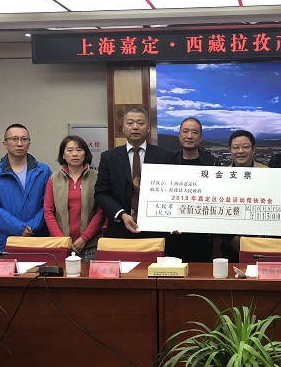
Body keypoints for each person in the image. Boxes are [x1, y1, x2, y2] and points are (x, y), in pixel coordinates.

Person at [94, 108, 171, 239]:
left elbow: (170, 191)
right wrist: (122, 215)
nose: (135, 127)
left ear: (148, 128)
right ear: (123, 128)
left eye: (140, 123)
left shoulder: (165, 156)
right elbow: (101, 193)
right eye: (130, 123)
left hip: (156, 230)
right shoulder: (109, 157)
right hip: (120, 229)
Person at [0, 123, 52, 254]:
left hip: (39, 241)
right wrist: (19, 228)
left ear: (29, 143)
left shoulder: (43, 171)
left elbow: (50, 205)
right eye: (14, 139)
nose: (19, 143)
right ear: (4, 144)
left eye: (24, 139)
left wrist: (30, 227)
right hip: (6, 244)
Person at [44, 135, 105, 260]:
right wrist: (62, 240)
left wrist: (84, 238)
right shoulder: (54, 178)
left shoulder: (96, 177)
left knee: (90, 273)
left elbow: (101, 211)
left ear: (85, 153)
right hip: (61, 244)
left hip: (90, 244)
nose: (75, 154)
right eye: (70, 150)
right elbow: (48, 211)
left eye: (79, 150)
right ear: (63, 155)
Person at [166, 117, 220, 262]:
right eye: (185, 131)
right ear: (179, 135)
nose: (189, 136)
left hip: (202, 235)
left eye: (194, 132)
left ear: (200, 138)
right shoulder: (168, 162)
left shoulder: (212, 163)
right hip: (173, 234)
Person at [220, 129, 267, 261]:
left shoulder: (268, 174)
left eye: (245, 147)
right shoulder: (220, 177)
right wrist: (231, 238)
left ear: (254, 149)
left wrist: (261, 237)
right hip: (230, 245)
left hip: (262, 244)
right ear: (230, 150)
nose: (240, 151)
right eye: (236, 147)